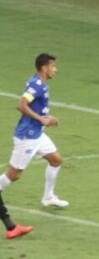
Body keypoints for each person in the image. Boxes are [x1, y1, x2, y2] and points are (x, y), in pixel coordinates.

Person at [0, 53, 69, 208]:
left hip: (37, 134)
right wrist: (42, 119)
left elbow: (34, 107)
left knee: (56, 160)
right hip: (27, 136)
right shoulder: (36, 85)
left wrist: (47, 117)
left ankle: (48, 197)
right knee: (15, 174)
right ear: (44, 68)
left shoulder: (41, 83)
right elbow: (21, 105)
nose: (55, 70)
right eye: (53, 66)